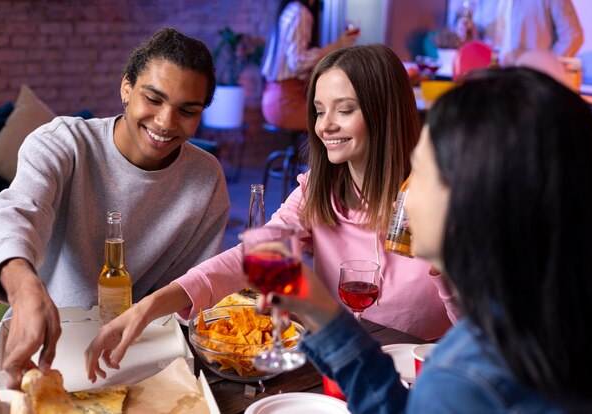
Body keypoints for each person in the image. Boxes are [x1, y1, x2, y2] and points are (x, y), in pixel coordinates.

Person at [85, 44, 459, 382]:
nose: (324, 125)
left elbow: (488, 334)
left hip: (429, 375)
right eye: (318, 111)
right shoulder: (318, 190)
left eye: (344, 110)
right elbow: (247, 260)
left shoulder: (443, 197)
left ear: (384, 113)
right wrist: (148, 307)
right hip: (344, 368)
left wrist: (445, 263)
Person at [257, 67, 592, 412]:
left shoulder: (462, 378)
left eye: (421, 173)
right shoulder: (571, 329)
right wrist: (327, 316)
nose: (406, 196)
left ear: (474, 200)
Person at [0, 28, 230, 390]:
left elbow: (191, 291)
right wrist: (24, 287)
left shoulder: (206, 177)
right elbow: (16, 212)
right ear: (126, 89)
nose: (166, 122)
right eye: (153, 99)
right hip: (42, 344)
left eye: (187, 110)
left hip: (144, 353)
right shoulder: (63, 142)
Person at [261, 0, 359, 130]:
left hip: (274, 99)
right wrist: (335, 46)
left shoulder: (291, 8)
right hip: (286, 102)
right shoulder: (300, 12)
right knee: (343, 124)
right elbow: (297, 61)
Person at [447, 0, 583, 65]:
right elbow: (472, 33)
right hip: (487, 75)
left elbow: (572, 36)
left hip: (528, 80)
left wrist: (546, 67)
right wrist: (468, 33)